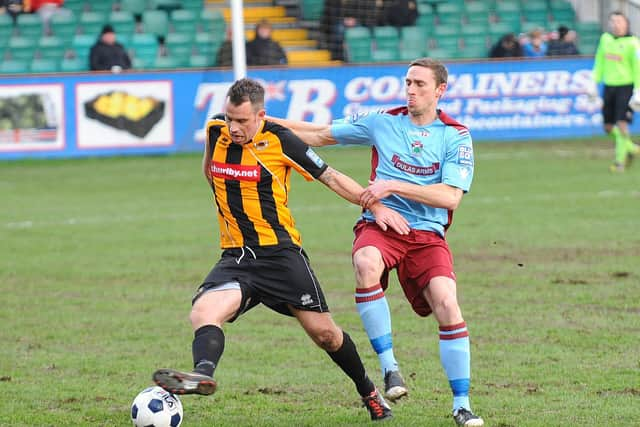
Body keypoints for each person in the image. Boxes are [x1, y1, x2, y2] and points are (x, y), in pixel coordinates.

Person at [152, 77, 414, 422]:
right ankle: (203, 374)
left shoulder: (280, 140)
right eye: (230, 118)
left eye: (242, 121)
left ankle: (369, 392)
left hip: (280, 256)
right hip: (237, 257)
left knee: (326, 336)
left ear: (261, 115)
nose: (233, 127)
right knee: (203, 313)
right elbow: (209, 172)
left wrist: (374, 206)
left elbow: (331, 176)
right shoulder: (216, 130)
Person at [267, 58, 484, 426]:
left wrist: (393, 185)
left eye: (419, 84)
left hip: (427, 235)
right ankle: (391, 369)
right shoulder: (383, 120)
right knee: (366, 261)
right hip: (380, 225)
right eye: (408, 82)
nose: (411, 90)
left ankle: (461, 405)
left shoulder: (456, 135)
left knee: (448, 304)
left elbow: (450, 198)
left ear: (440, 90)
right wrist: (261, 122)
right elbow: (319, 134)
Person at [588, 11, 640, 172]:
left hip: (626, 87)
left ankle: (619, 163)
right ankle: (631, 148)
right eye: (613, 21)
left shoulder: (633, 43)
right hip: (609, 86)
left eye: (619, 21)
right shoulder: (605, 39)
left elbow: (638, 67)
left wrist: (638, 90)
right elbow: (599, 61)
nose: (616, 24)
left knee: (622, 123)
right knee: (608, 127)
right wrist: (593, 83)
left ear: (626, 24)